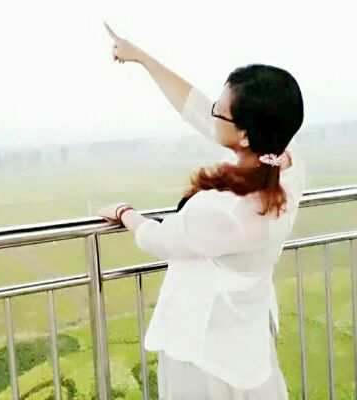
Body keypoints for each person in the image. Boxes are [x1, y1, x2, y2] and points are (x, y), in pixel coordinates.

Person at [97, 21, 306, 400]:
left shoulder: (224, 210)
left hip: (204, 352)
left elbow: (159, 238)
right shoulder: (288, 173)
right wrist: (143, 58)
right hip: (247, 343)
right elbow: (197, 109)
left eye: (219, 111)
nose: (211, 114)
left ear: (245, 134)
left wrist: (125, 212)